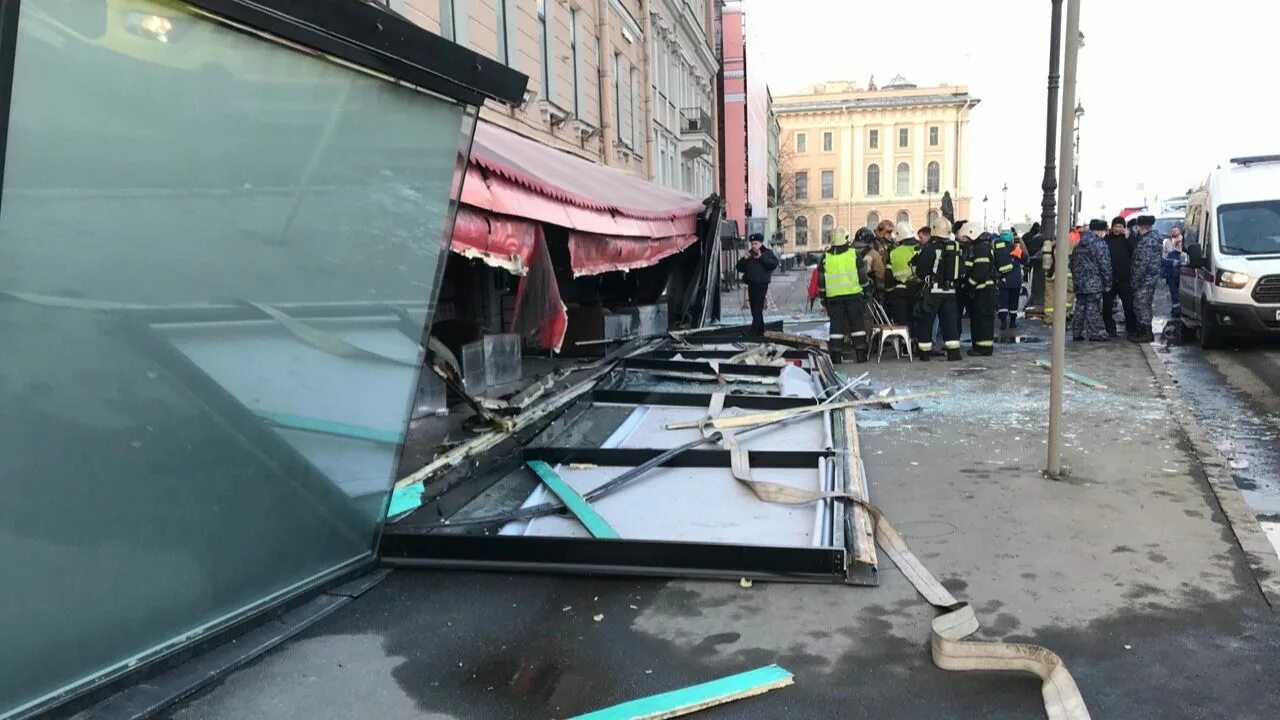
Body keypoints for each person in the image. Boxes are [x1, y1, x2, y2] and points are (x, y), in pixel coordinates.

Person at [913, 216, 963, 362]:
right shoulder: (954, 247)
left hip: (933, 292)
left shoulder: (930, 248)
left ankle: (925, 353)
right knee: (950, 323)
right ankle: (954, 353)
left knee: (926, 321)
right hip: (950, 291)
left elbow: (921, 271)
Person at [818, 227, 869, 363]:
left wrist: (822, 297)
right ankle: (860, 354)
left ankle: (836, 355)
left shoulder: (825, 257)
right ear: (846, 239)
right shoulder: (853, 254)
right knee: (857, 324)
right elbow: (862, 276)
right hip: (853, 296)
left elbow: (821, 280)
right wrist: (866, 290)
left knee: (836, 325)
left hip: (833, 298)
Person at [1069, 219, 1113, 342]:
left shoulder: (1080, 242)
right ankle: (1096, 333)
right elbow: (1105, 265)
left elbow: (1072, 263)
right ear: (1101, 230)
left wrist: (1077, 277)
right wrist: (1108, 282)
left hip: (1079, 282)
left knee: (1080, 307)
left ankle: (1077, 332)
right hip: (1094, 282)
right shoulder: (1099, 244)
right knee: (1093, 308)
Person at [736, 232, 778, 335]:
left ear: (760, 243)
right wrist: (743, 259)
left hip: (761, 284)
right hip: (751, 283)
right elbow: (739, 268)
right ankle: (760, 329)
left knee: (757, 308)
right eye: (752, 243)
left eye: (755, 243)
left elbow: (773, 264)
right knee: (754, 307)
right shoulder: (749, 254)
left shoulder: (767, 252)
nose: (753, 246)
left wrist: (761, 258)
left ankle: (753, 331)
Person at [1102, 216, 1137, 339]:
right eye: (1116, 226)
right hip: (1110, 279)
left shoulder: (1128, 239)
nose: (1118, 229)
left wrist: (1128, 237)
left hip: (1124, 279)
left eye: (1120, 226)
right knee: (1107, 307)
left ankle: (1131, 329)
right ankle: (1110, 329)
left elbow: (1135, 252)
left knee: (1129, 306)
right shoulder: (1106, 239)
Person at [964, 230, 998, 355]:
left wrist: (969, 285)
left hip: (984, 291)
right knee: (979, 320)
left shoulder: (981, 249)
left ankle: (984, 349)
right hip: (982, 291)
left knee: (983, 321)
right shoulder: (980, 248)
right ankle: (979, 347)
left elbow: (980, 271)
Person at [1129, 215, 1162, 343]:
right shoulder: (1153, 239)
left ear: (1140, 226)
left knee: (1141, 305)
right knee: (1144, 305)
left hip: (1144, 280)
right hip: (1150, 278)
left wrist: (1135, 281)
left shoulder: (1147, 241)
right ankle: (1143, 330)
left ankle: (1145, 332)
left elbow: (1142, 264)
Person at [885, 222, 923, 327]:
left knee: (903, 323)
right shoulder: (922, 249)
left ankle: (904, 342)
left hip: (900, 292)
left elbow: (888, 276)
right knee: (918, 322)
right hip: (919, 291)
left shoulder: (894, 253)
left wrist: (888, 291)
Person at [997, 230, 1023, 336]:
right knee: (1014, 302)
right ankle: (1012, 322)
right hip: (1015, 281)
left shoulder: (998, 250)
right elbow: (1025, 260)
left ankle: (1003, 323)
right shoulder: (1017, 250)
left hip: (1003, 280)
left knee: (1003, 303)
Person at [1161, 226, 1188, 316]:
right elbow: (1166, 257)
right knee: (1174, 292)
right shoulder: (1168, 243)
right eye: (1173, 231)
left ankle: (1179, 309)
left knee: (1180, 291)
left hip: (1181, 271)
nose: (1174, 233)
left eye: (1176, 231)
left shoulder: (1184, 243)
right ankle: (1176, 310)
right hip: (1172, 272)